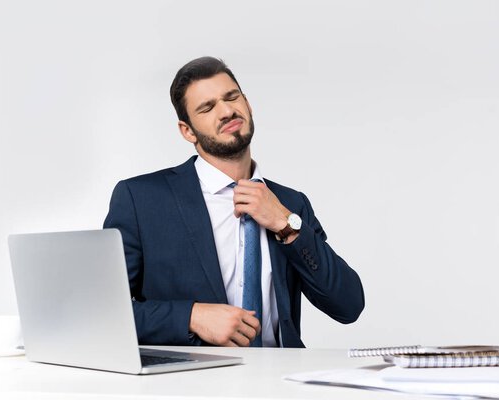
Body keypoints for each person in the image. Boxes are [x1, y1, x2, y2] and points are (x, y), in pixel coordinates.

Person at [103, 56, 364, 348]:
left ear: (248, 104)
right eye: (207, 107)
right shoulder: (142, 199)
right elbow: (102, 313)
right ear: (187, 130)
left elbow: (349, 306)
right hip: (188, 386)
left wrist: (286, 226)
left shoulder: (290, 204)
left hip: (279, 384)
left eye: (232, 97)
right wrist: (191, 316)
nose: (227, 111)